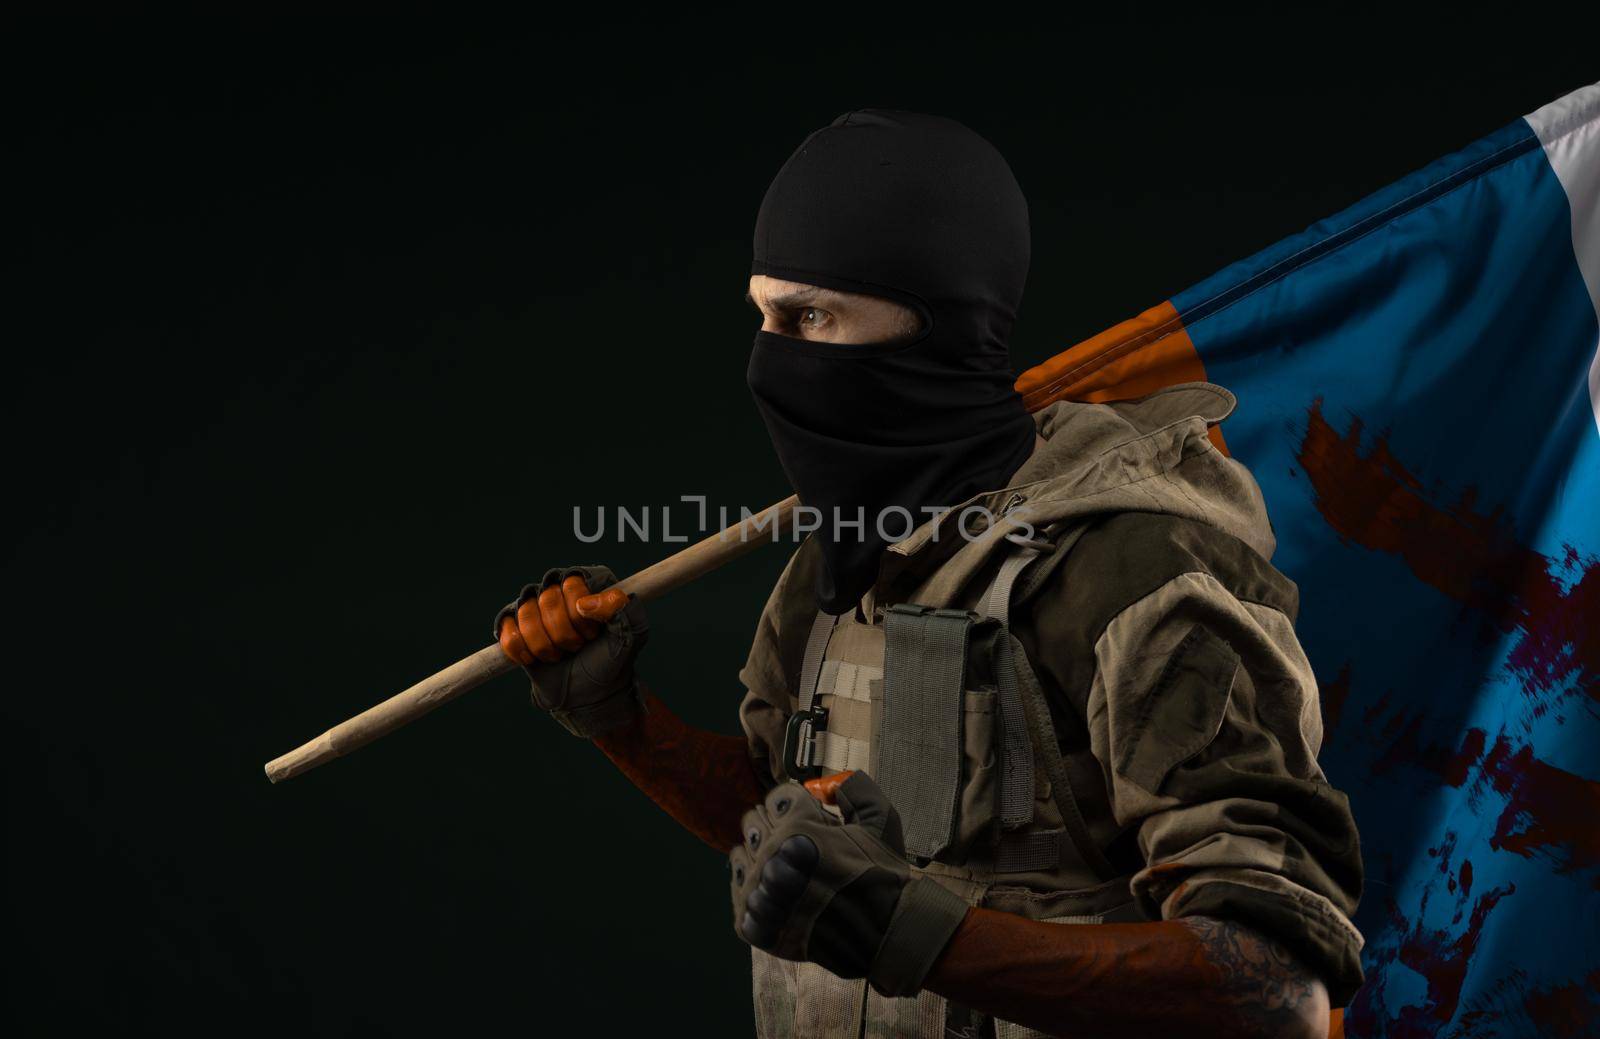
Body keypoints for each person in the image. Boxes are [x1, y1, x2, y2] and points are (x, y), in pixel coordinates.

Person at [495, 110, 1363, 1039]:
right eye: (762, 316)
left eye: (809, 316)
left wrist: (915, 935)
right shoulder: (838, 561)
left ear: (936, 324)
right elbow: (780, 828)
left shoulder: (1137, 567)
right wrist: (622, 720)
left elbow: (1276, 987)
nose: (766, 361)